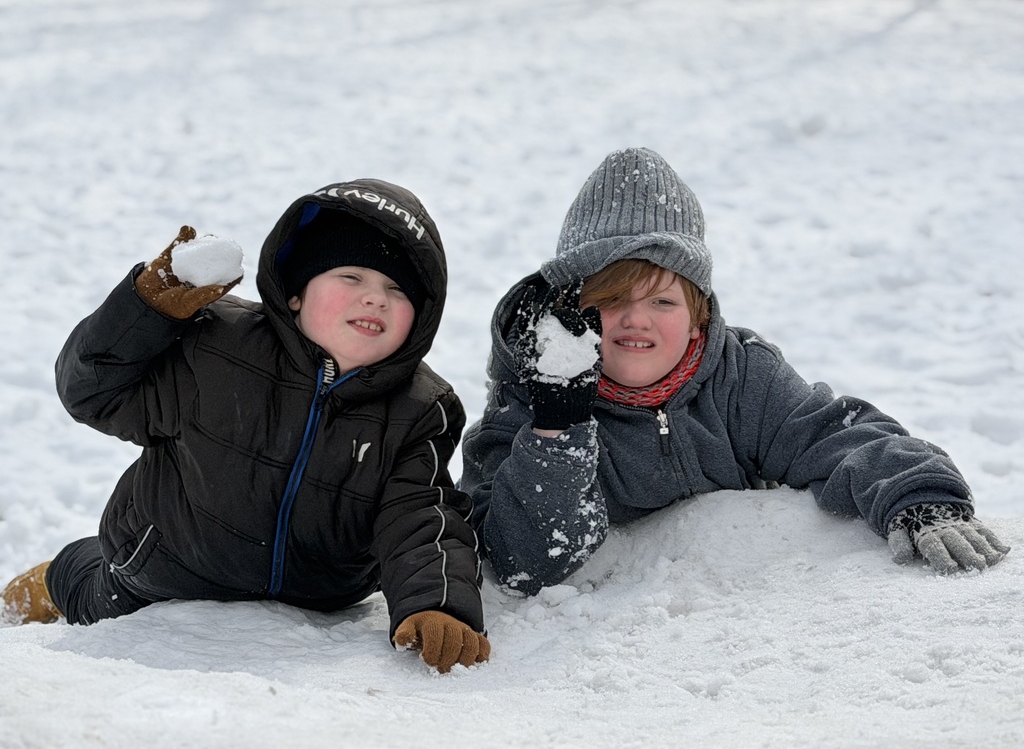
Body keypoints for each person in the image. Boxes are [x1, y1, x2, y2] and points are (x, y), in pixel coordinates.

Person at [460, 147, 1009, 596]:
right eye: (612, 298)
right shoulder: (527, 403)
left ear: (698, 318)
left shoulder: (740, 378)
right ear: (571, 311)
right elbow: (521, 562)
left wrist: (917, 495)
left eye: (662, 303)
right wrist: (559, 426)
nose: (635, 320)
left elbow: (833, 433)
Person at [2, 178, 490, 673]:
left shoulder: (419, 409)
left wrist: (439, 604)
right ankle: (52, 578)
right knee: (86, 594)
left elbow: (420, 515)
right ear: (297, 292)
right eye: (352, 277)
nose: (375, 299)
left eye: (396, 290)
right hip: (161, 574)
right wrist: (145, 313)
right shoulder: (215, 348)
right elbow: (91, 392)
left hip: (318, 596)